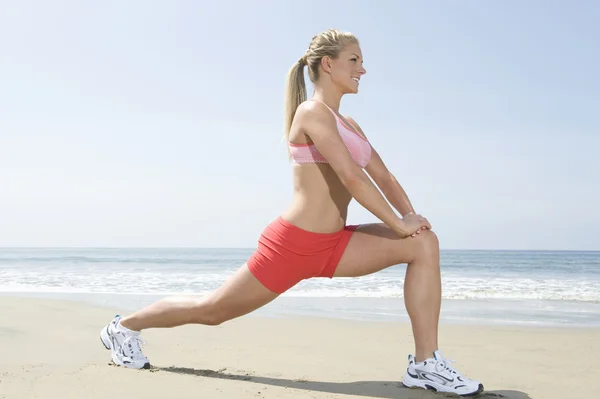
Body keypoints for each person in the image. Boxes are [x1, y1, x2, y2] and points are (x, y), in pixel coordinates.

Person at [99, 28, 484, 397]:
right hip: (293, 245)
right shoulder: (310, 113)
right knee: (213, 310)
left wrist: (411, 220)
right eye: (355, 60)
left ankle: (424, 363)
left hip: (335, 243)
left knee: (423, 244)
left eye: (362, 62)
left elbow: (383, 175)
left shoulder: (350, 124)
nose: (362, 69)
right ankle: (125, 326)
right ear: (328, 65)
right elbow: (352, 178)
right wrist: (398, 224)